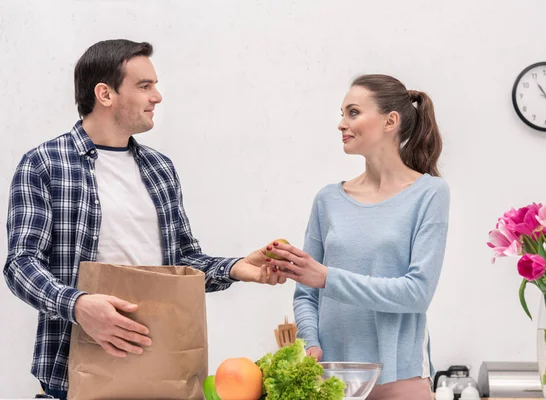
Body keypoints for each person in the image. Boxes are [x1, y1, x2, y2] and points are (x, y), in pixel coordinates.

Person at [3, 39, 284, 400]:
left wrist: (237, 268)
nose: (158, 97)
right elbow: (21, 264)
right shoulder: (45, 164)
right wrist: (79, 305)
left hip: (162, 367)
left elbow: (181, 262)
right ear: (105, 94)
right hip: (72, 372)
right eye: (144, 86)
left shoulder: (159, 169)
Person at [266, 74, 450, 400]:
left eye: (353, 113)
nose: (341, 124)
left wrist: (328, 278)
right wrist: (311, 343)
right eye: (342, 113)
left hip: (400, 379)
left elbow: (416, 293)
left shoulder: (429, 194)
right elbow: (306, 294)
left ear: (390, 121)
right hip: (332, 381)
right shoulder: (328, 200)